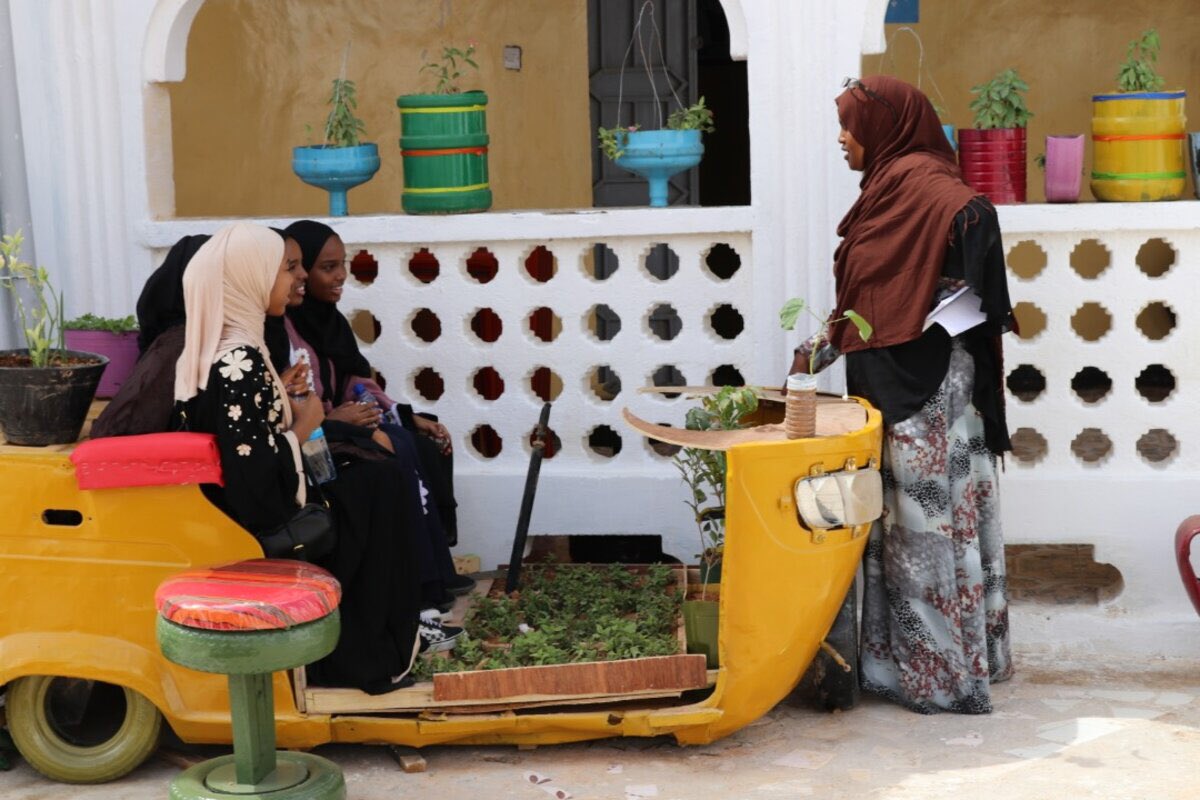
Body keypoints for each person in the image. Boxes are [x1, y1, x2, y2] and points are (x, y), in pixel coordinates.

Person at [790, 76, 1015, 714]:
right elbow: (872, 294)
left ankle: (944, 679)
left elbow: (975, 216)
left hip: (928, 391)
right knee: (900, 526)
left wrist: (939, 302)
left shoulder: (924, 184)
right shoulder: (887, 188)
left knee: (925, 529)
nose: (842, 137)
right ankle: (911, 667)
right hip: (892, 384)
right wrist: (823, 347)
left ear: (885, 127)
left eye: (851, 124)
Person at [173, 222, 457, 695]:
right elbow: (255, 480)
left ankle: (382, 637)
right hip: (262, 515)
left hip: (251, 497)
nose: (295, 278)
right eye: (285, 269)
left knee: (377, 474)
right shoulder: (239, 361)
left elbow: (246, 439)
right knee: (379, 487)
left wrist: (285, 403)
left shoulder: (226, 348)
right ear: (249, 276)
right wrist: (305, 424)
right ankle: (364, 655)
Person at [282, 220, 472, 609]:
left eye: (343, 264)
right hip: (315, 434)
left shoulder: (330, 321)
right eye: (327, 267)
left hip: (339, 422)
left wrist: (402, 414)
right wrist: (338, 421)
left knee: (420, 440)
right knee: (394, 449)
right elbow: (294, 402)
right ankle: (419, 584)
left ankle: (436, 572)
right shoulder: (282, 329)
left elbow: (356, 380)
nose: (341, 276)